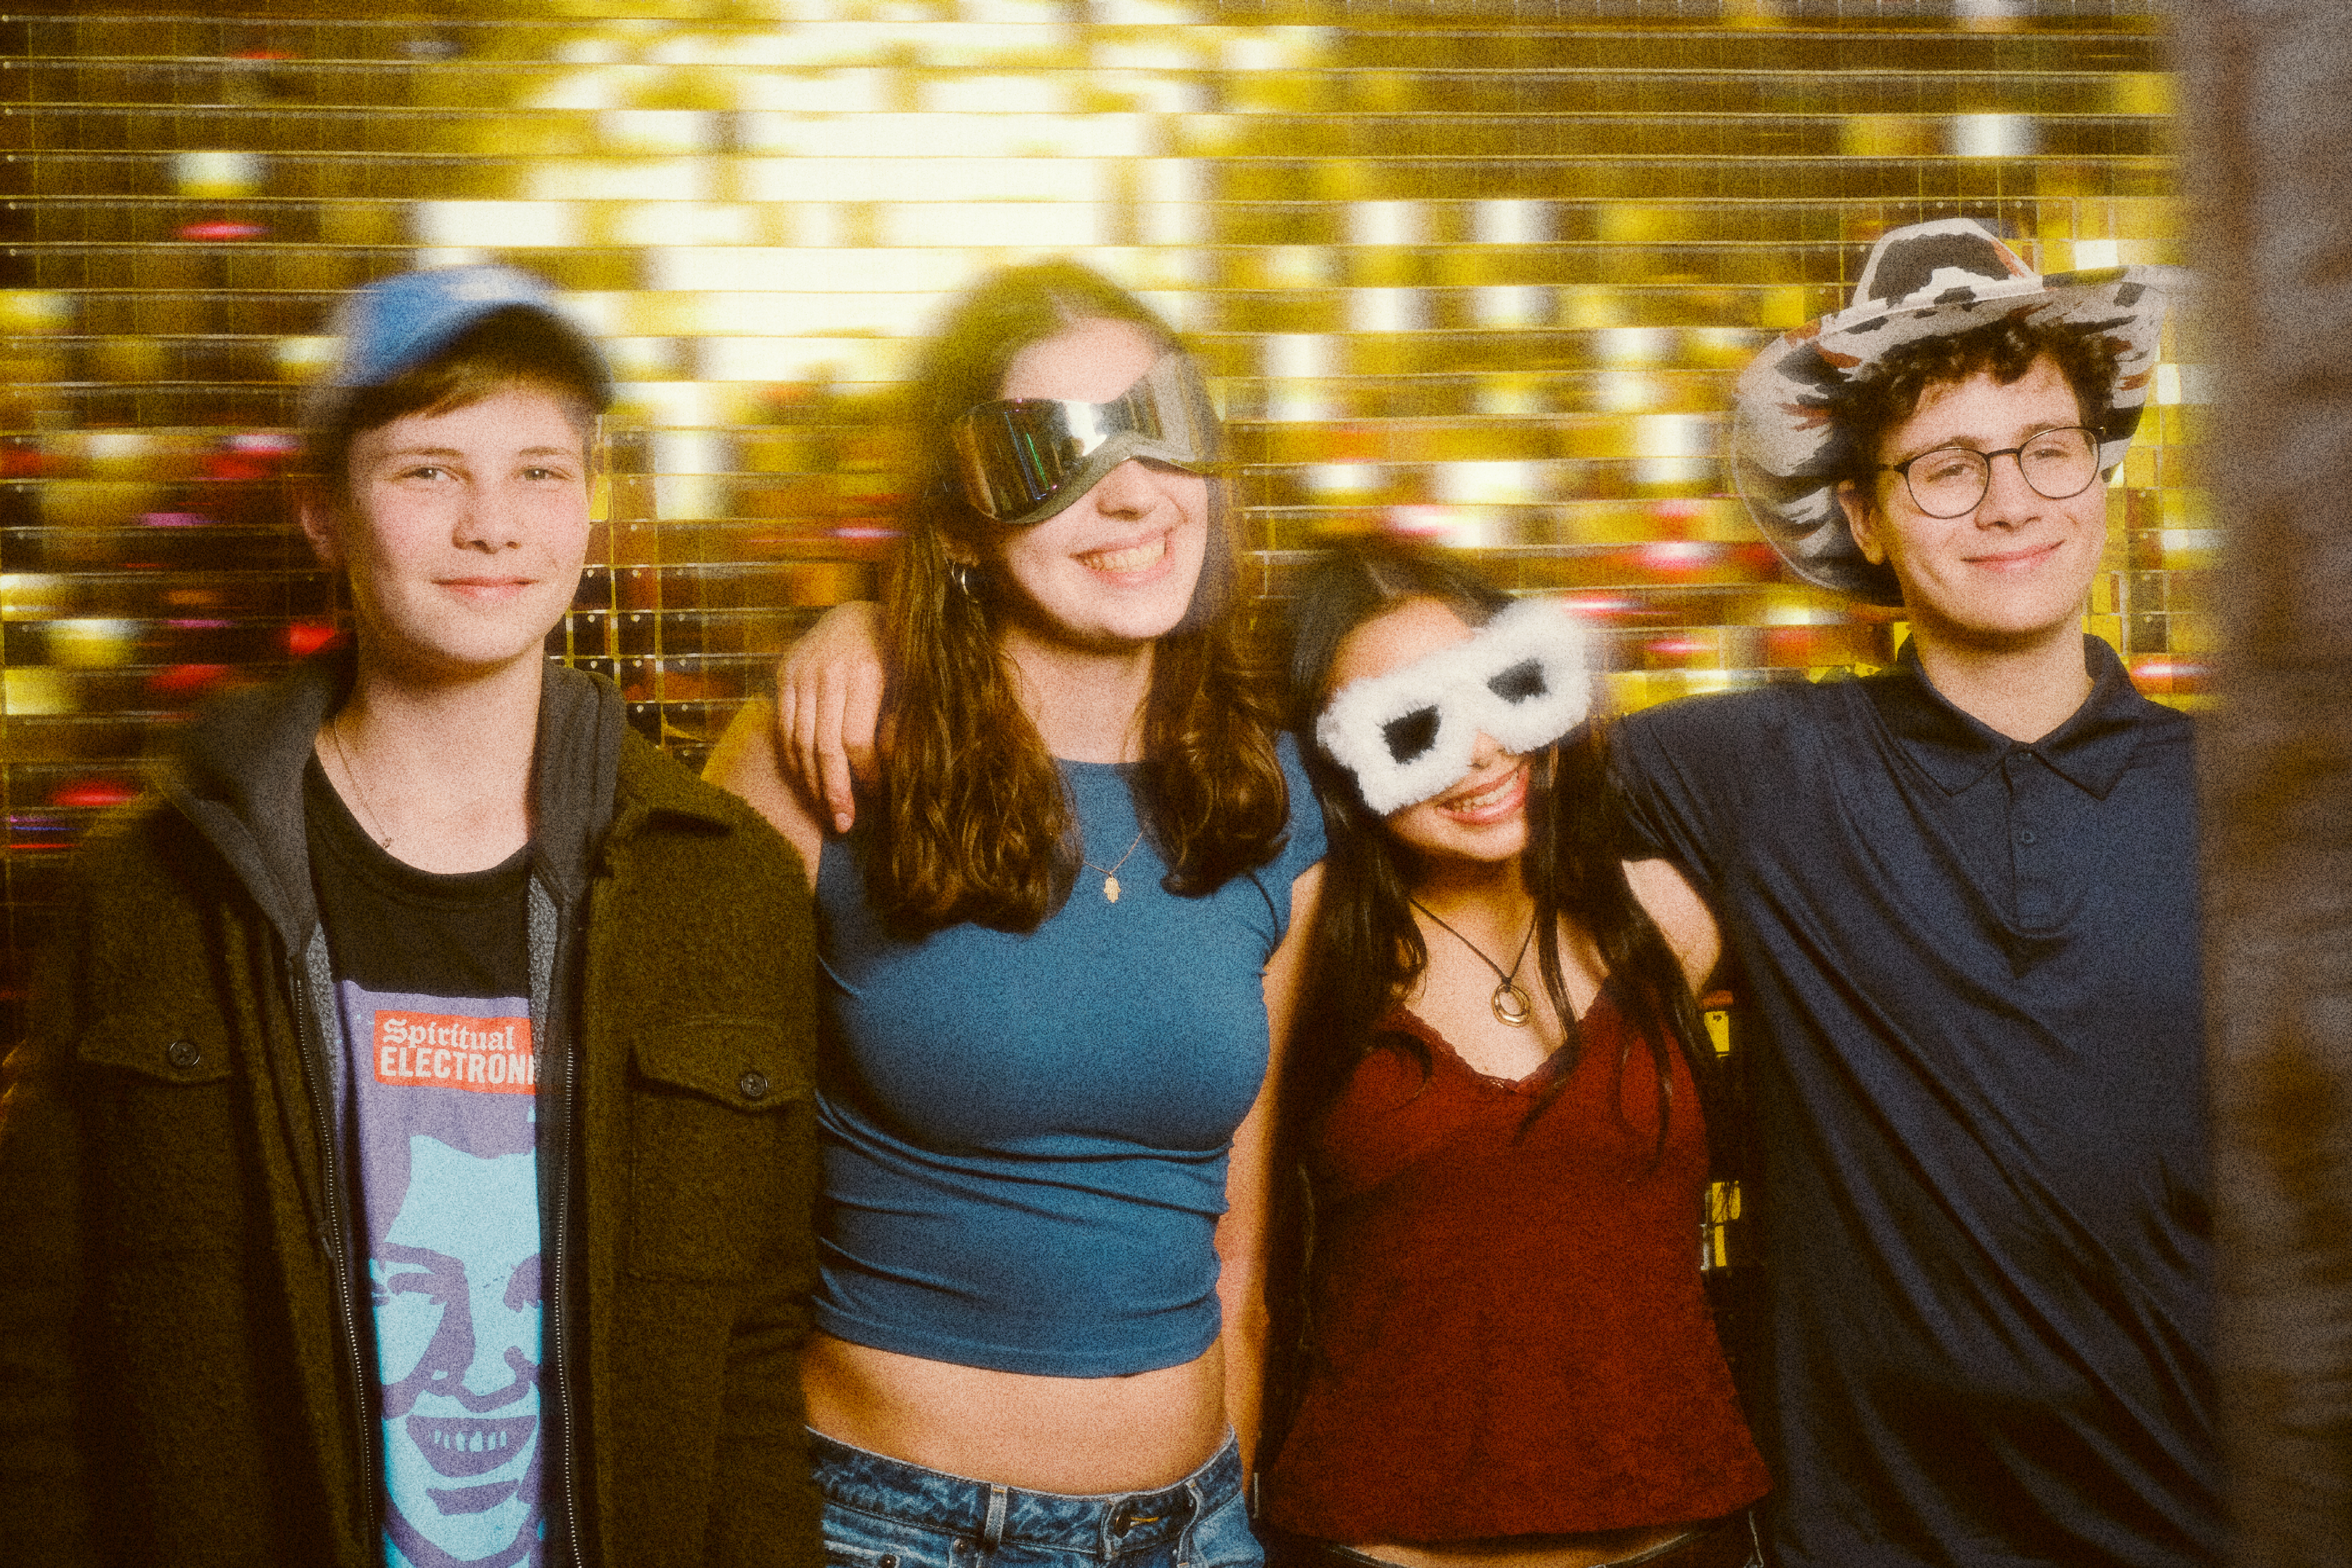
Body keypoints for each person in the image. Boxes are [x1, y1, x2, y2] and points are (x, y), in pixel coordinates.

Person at [0, 264, 826, 1568]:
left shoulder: (724, 886)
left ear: (593, 508)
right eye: (431, 470)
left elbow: (756, 1356)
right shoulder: (152, 889)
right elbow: (41, 1356)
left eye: (541, 473)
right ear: (323, 513)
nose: (492, 525)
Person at [1606, 217, 2217, 1566]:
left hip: (2202, 1521)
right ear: (1865, 515)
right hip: (1867, 1537)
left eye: (2047, 449)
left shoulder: (2242, 799)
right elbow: (1444, 839)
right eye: (1946, 466)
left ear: (2100, 477)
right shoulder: (1750, 776)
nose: (2010, 501)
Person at [703, 260, 1323, 1568]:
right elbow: (693, 1223)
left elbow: (1242, 1240)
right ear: (968, 518)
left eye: (1168, 426)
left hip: (1193, 1526)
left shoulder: (1269, 805)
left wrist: (1235, 1509)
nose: (1133, 491)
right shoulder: (828, 750)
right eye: (1053, 450)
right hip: (888, 1524)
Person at [1254, 544, 1769, 1568]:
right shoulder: (1305, 947)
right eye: (1411, 726)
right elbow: (1236, 1282)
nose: (1482, 751)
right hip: (1376, 1546)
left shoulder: (1666, 914)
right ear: (1339, 763)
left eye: (1500, 688)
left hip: (1680, 1540)